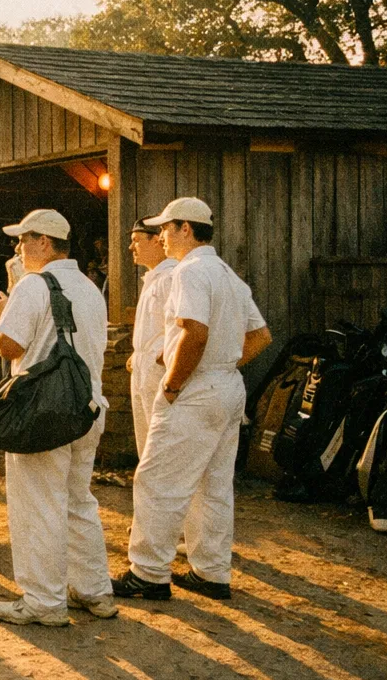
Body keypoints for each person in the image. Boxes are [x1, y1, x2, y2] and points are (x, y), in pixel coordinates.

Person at [113, 197, 272, 602]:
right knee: (213, 485)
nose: (161, 236)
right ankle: (212, 572)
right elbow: (260, 336)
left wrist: (173, 384)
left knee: (157, 480)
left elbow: (193, 332)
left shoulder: (190, 272)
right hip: (226, 385)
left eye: (166, 229)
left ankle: (148, 573)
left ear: (186, 229)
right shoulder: (228, 276)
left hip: (196, 389)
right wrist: (225, 361)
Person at [0, 209, 114, 626]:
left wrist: (0, 315)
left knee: (38, 505)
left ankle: (43, 601)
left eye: (23, 240)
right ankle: (95, 590)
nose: (18, 249)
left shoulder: (32, 287)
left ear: (44, 242)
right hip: (88, 408)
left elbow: (9, 345)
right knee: (78, 501)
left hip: (44, 411)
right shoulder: (91, 288)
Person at [127, 217, 178, 457]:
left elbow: (181, 326)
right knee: (146, 442)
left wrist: (159, 357)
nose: (131, 247)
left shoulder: (170, 277)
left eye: (137, 240)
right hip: (143, 367)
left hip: (159, 371)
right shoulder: (153, 278)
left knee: (160, 443)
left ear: (157, 241)